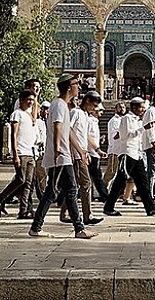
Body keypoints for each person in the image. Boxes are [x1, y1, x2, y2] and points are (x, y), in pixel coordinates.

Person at [29, 74, 97, 239]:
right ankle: (79, 229)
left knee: (52, 192)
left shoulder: (63, 105)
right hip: (60, 156)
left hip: (62, 155)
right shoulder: (59, 105)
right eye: (76, 84)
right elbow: (58, 127)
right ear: (68, 87)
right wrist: (58, 149)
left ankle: (36, 227)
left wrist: (81, 150)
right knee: (71, 189)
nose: (78, 87)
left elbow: (68, 131)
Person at [103, 97, 155, 217]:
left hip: (137, 154)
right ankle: (109, 206)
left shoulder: (138, 120)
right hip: (127, 153)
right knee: (120, 181)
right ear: (134, 107)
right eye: (141, 107)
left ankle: (150, 207)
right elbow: (126, 136)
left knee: (143, 182)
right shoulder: (127, 118)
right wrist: (143, 128)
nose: (142, 110)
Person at [0, 90, 40, 219]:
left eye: (32, 100)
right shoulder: (17, 114)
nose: (30, 102)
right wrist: (15, 154)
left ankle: (23, 211)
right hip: (21, 152)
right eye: (28, 99)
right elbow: (14, 135)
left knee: (28, 183)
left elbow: (35, 114)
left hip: (30, 152)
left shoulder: (29, 115)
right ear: (21, 100)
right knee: (20, 179)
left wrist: (36, 98)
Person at [59, 90, 104, 226]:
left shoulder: (85, 116)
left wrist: (96, 149)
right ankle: (87, 215)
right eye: (94, 105)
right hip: (76, 155)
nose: (94, 108)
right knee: (85, 184)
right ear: (88, 101)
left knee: (76, 185)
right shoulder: (76, 113)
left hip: (82, 153)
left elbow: (84, 135)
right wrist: (74, 152)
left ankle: (65, 212)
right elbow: (67, 130)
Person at [87, 102, 109, 203]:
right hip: (91, 152)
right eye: (100, 110)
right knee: (96, 176)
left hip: (94, 152)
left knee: (93, 177)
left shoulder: (95, 121)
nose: (102, 112)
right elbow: (88, 136)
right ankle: (104, 195)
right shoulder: (90, 121)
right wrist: (97, 149)